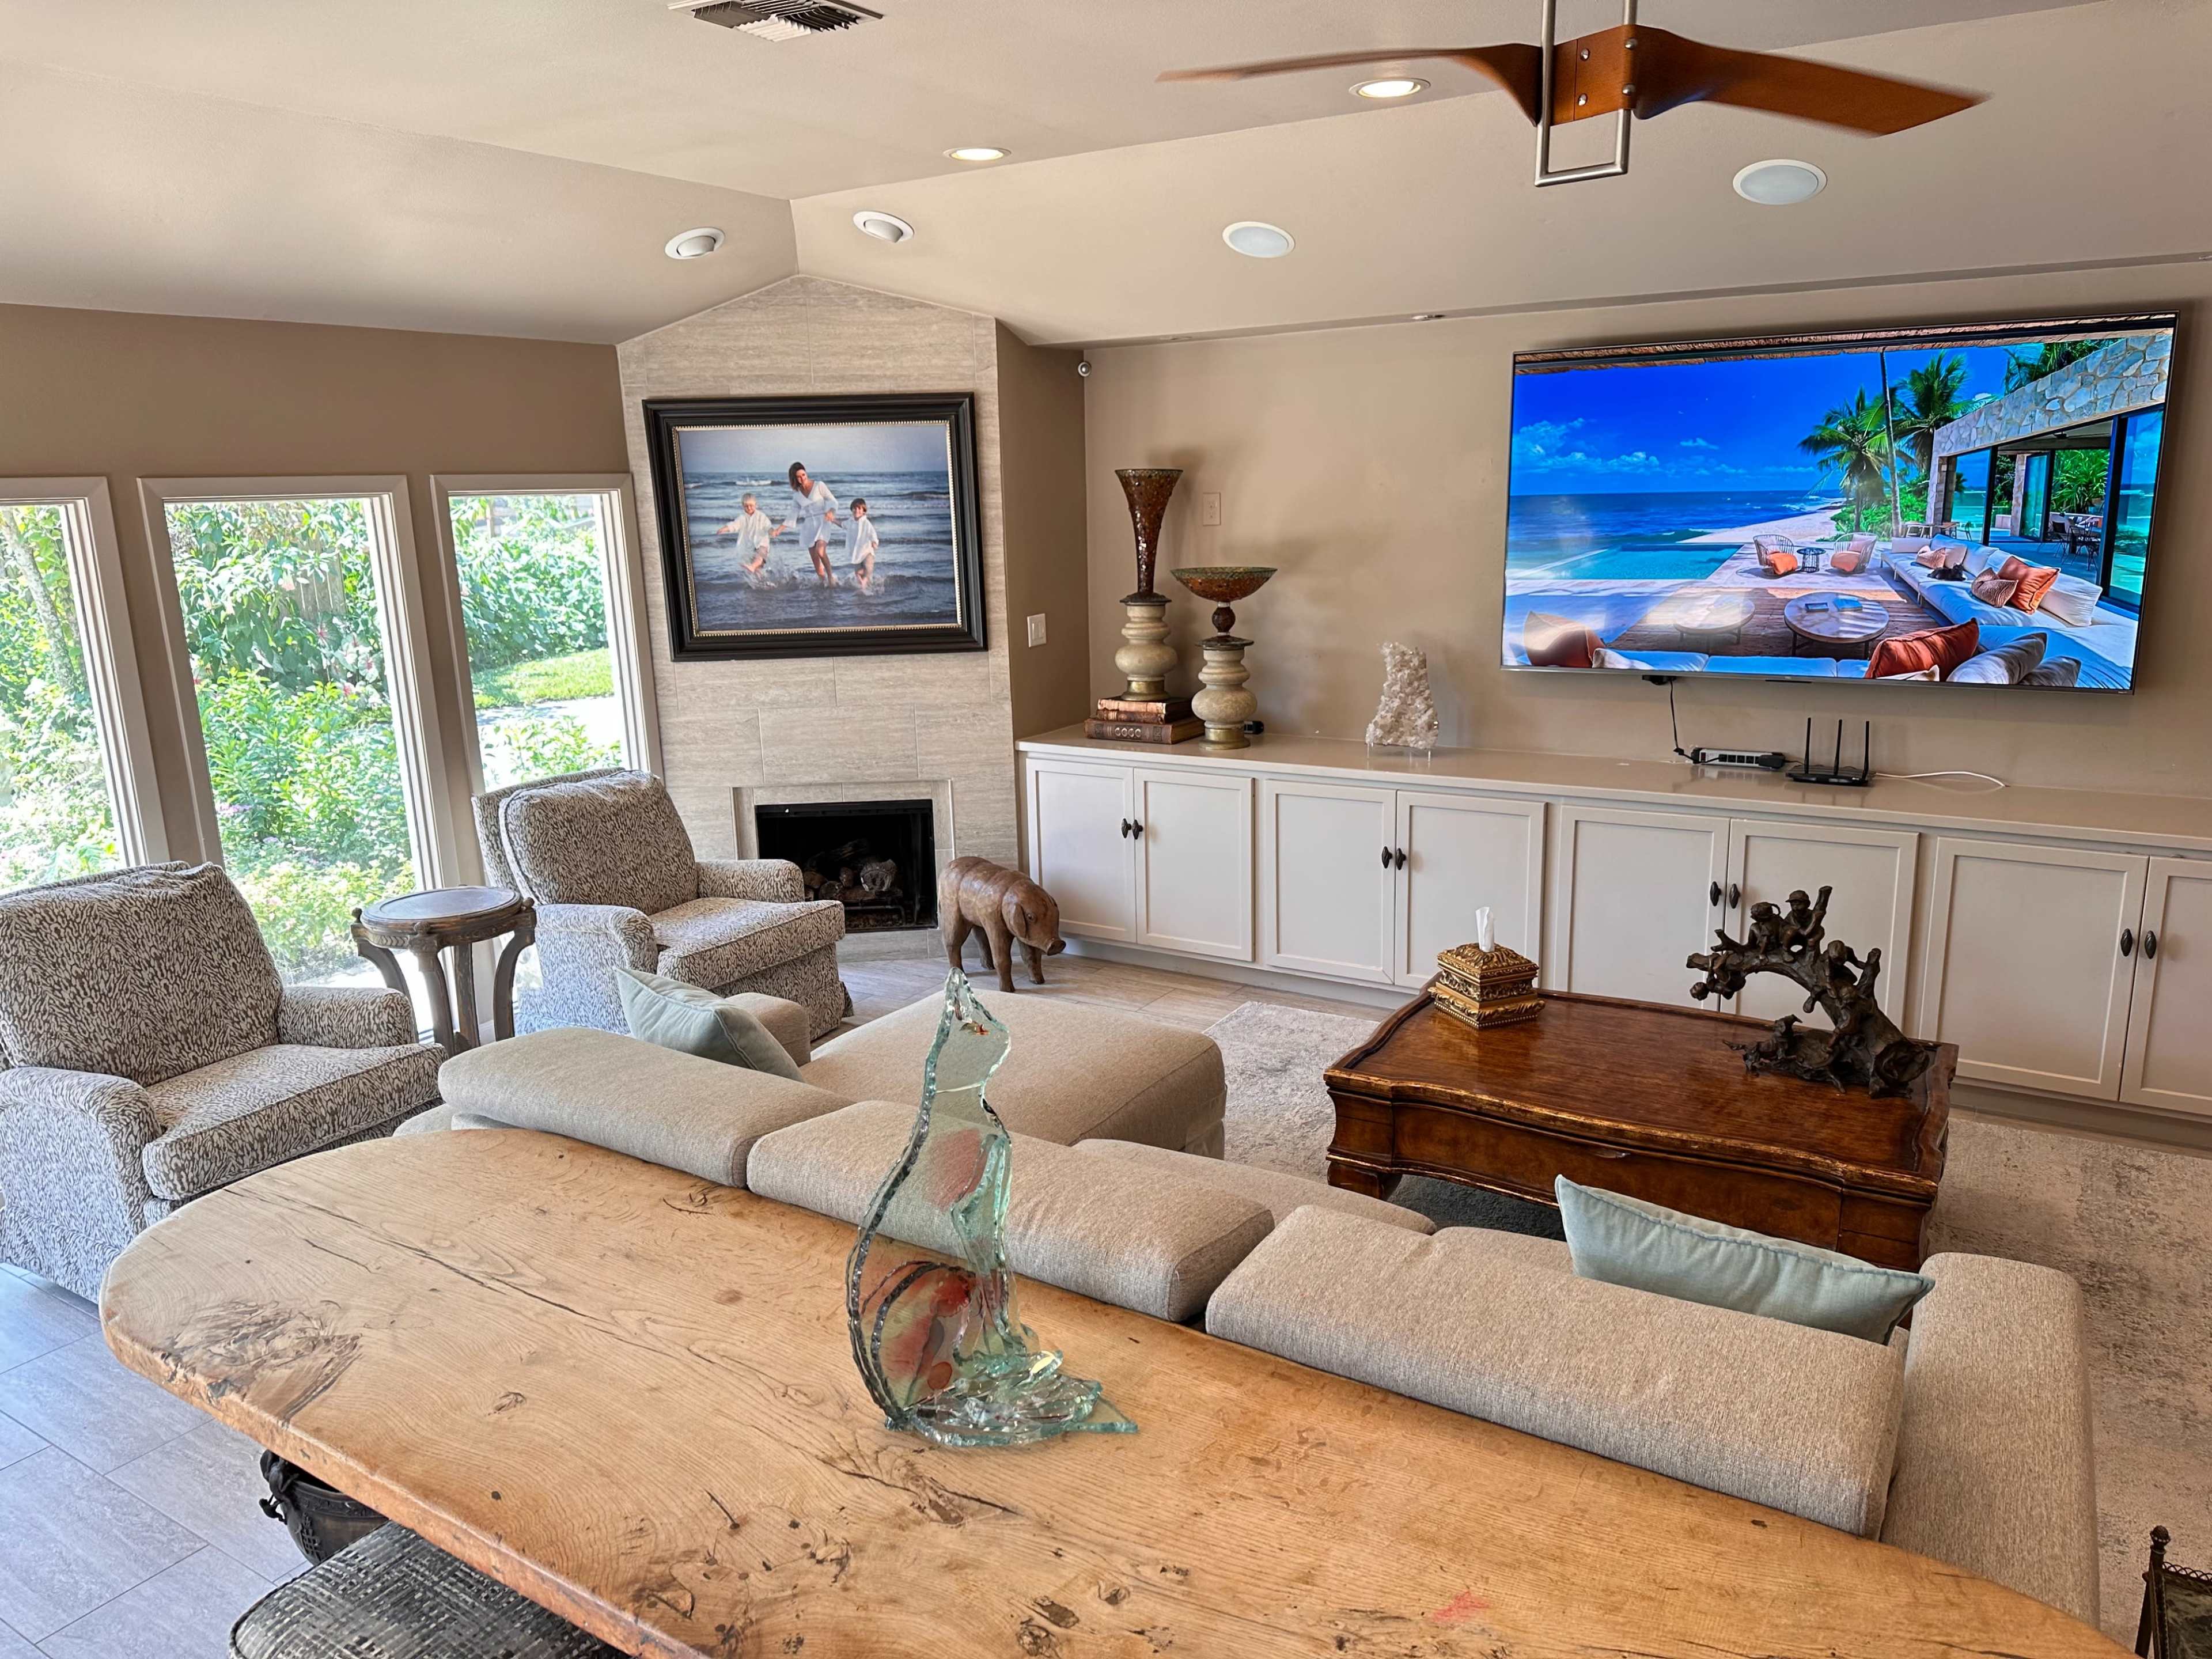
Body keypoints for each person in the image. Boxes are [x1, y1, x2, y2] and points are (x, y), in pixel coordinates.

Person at [775, 462, 839, 586]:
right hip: (810, 526)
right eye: (799, 477)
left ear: (806, 473)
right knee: (816, 561)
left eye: (804, 475)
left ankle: (831, 578)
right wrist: (779, 529)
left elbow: (833, 500)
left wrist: (831, 511)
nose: (802, 478)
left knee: (821, 551)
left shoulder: (819, 485)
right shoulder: (797, 496)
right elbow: (793, 515)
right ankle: (822, 583)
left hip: (823, 521)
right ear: (795, 479)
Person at [715, 492, 775, 574]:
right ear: (743, 506)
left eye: (751, 506)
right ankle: (762, 584)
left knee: (759, 557)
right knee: (758, 571)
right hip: (749, 548)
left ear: (756, 505)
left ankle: (753, 567)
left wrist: (772, 532)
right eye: (746, 506)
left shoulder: (762, 516)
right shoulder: (742, 518)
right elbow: (734, 525)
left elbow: (768, 526)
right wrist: (725, 529)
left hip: (762, 544)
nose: (749, 508)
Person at [846, 497, 880, 593]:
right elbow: (842, 524)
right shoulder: (850, 522)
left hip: (867, 551)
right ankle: (863, 585)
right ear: (852, 509)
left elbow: (873, 534)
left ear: (864, 511)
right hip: (857, 553)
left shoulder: (866, 523)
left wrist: (874, 542)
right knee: (858, 572)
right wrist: (833, 520)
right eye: (855, 508)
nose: (857, 510)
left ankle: (865, 582)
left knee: (868, 568)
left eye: (859, 509)